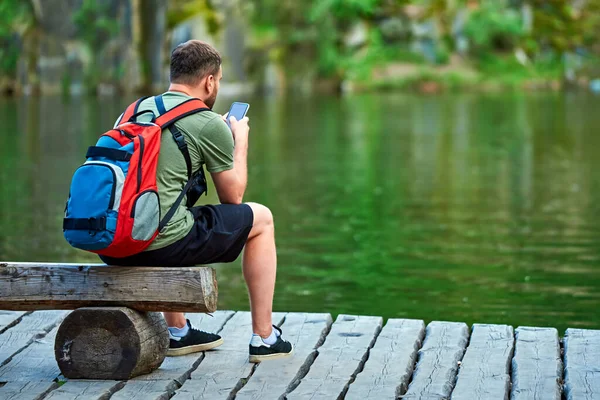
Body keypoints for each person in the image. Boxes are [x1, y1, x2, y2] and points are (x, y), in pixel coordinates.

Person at [99, 40, 293, 363]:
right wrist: (239, 142)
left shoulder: (132, 112)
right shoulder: (208, 123)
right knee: (262, 220)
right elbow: (234, 197)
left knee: (174, 207)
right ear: (210, 81)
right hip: (159, 245)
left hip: (113, 243)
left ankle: (178, 332)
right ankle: (264, 336)